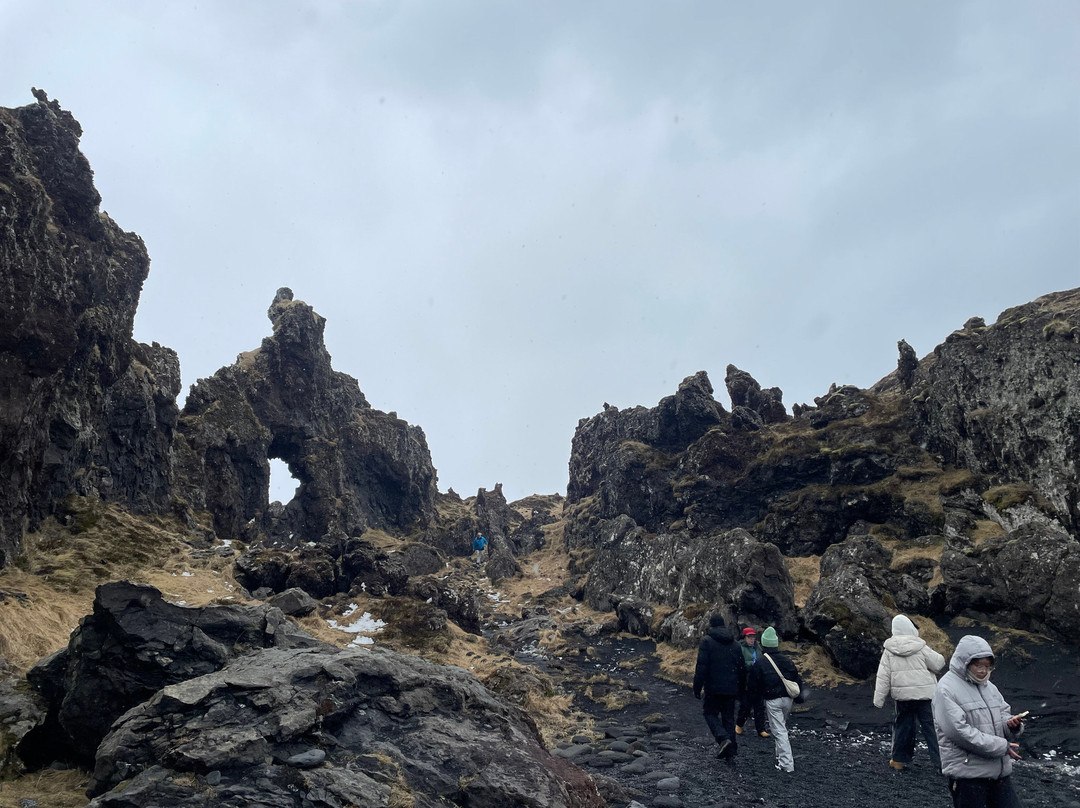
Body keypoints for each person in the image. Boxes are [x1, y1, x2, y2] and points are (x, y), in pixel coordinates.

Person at [933, 635, 1025, 808]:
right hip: (968, 775)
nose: (983, 670)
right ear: (964, 662)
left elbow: (1003, 713)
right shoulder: (946, 689)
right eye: (978, 665)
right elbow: (958, 732)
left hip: (998, 774)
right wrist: (1001, 746)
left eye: (987, 666)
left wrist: (1011, 725)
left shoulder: (989, 687)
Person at [873, 614, 946, 771]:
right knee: (932, 728)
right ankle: (942, 763)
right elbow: (938, 663)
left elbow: (883, 676)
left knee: (903, 727)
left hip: (903, 698)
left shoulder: (889, 651)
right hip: (925, 696)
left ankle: (898, 760)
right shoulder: (920, 647)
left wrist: (879, 699)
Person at [748, 626, 803, 773]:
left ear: (764, 644)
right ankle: (780, 758)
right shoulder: (787, 661)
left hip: (772, 700)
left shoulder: (760, 662)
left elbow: (754, 684)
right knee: (782, 728)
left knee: (779, 731)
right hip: (788, 699)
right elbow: (796, 678)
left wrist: (753, 701)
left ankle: (786, 764)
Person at [693, 614, 746, 759]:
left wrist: (697, 687)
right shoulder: (735, 644)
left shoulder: (707, 641)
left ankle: (723, 739)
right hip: (731, 689)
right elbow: (741, 668)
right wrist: (741, 689)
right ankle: (731, 748)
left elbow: (701, 667)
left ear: (711, 625)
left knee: (709, 713)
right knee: (728, 718)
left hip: (713, 688)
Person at [735, 627, 768, 738]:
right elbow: (739, 663)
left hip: (758, 681)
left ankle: (761, 729)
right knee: (746, 706)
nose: (752, 639)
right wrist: (751, 664)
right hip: (746, 681)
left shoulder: (758, 647)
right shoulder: (740, 648)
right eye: (749, 637)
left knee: (759, 706)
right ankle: (739, 724)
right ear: (744, 637)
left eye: (753, 636)